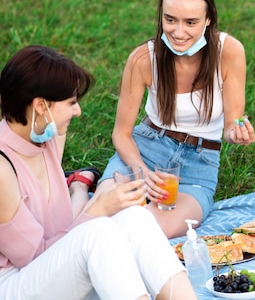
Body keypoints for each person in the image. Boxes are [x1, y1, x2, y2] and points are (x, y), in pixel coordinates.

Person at [0, 45, 197, 299]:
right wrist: (97, 209)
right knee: (99, 232)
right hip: (15, 283)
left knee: (135, 216)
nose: (78, 111)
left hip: (54, 268)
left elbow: (58, 234)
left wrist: (100, 204)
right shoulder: (3, 169)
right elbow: (34, 257)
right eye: (71, 103)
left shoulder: (46, 135)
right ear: (41, 106)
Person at [99, 0, 255, 238]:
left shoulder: (229, 52)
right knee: (101, 217)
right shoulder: (143, 58)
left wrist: (237, 133)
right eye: (170, 20)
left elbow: (232, 123)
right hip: (143, 150)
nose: (178, 32)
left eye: (190, 22)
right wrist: (141, 173)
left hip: (198, 166)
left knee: (146, 230)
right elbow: (121, 133)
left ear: (208, 20)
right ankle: (80, 186)